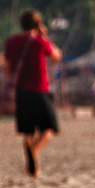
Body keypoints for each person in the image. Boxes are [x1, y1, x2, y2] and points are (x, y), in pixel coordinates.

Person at [3, 9, 62, 177]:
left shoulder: (11, 41)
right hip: (39, 88)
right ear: (38, 25)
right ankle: (34, 152)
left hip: (20, 91)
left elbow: (8, 66)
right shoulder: (39, 41)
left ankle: (34, 169)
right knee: (49, 128)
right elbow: (56, 56)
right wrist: (44, 36)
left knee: (27, 130)